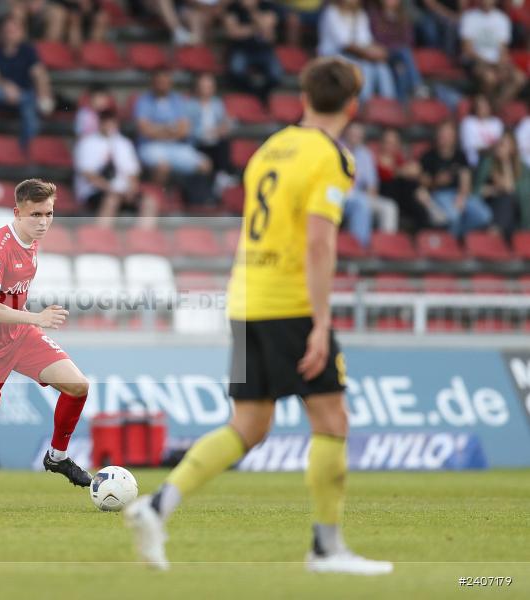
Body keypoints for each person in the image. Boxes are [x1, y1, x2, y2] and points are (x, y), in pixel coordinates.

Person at [125, 57, 394, 576]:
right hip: (289, 302)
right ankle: (327, 549)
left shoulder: (269, 148)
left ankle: (157, 507)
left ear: (304, 97)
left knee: (248, 424)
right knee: (332, 419)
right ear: (353, 105)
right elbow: (318, 243)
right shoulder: (332, 157)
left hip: (247, 298)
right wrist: (320, 322)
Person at [0, 179, 92, 509]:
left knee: (78, 386)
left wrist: (29, 322)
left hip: (19, 337)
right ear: (17, 212)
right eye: (35, 214)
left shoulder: (32, 242)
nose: (43, 222)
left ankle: (57, 456)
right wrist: (36, 318)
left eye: (48, 214)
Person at [74, 109, 158, 227]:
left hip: (123, 191)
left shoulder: (124, 143)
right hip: (96, 191)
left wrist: (131, 190)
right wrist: (111, 189)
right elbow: (89, 175)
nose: (109, 125)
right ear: (100, 123)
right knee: (112, 200)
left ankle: (143, 236)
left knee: (149, 202)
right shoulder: (87, 143)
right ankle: (102, 234)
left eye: (111, 122)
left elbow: (133, 173)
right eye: (105, 121)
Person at [0, 17, 54, 149]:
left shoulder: (28, 51)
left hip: (23, 96)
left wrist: (44, 95)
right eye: (7, 31)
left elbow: (39, 74)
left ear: (20, 33)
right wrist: (6, 86)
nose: (10, 34)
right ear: (0, 32)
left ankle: (26, 150)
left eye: (13, 31)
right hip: (0, 94)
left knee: (31, 112)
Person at [134, 69, 211, 183]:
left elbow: (184, 130)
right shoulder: (143, 101)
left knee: (205, 165)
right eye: (160, 82)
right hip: (151, 146)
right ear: (153, 83)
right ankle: (158, 192)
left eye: (165, 82)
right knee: (162, 167)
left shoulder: (177, 100)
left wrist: (157, 129)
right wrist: (171, 129)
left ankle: (193, 193)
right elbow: (144, 130)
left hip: (176, 146)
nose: (163, 85)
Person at [420, 120, 492, 238]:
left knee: (484, 215)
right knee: (454, 216)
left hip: (459, 194)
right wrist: (436, 181)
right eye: (442, 133)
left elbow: (465, 179)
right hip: (439, 194)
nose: (444, 137)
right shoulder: (428, 157)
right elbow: (423, 183)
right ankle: (453, 241)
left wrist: (461, 196)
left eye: (448, 134)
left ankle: (456, 237)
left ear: (454, 137)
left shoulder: (460, 156)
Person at [318, 0, 396, 102]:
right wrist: (370, 55)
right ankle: (363, 104)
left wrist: (380, 52)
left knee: (382, 66)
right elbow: (345, 44)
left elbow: (366, 40)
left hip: (356, 56)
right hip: (333, 56)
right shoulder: (332, 12)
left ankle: (389, 103)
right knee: (366, 66)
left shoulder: (360, 14)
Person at [376, 128, 447, 232]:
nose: (390, 146)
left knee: (416, 203)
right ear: (382, 144)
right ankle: (430, 205)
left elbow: (414, 169)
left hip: (403, 195)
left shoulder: (399, 158)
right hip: (386, 193)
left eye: (394, 143)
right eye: (388, 142)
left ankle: (428, 215)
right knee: (408, 184)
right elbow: (389, 172)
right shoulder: (377, 158)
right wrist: (401, 171)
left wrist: (401, 171)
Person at [341, 122, 398, 247]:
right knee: (361, 203)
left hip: (359, 194)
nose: (355, 136)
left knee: (389, 207)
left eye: (358, 134)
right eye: (353, 133)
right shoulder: (337, 148)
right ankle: (359, 247)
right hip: (339, 192)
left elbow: (372, 185)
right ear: (346, 132)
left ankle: (386, 247)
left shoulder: (365, 154)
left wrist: (370, 194)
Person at [459, 0, 526, 106]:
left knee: (519, 78)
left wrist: (502, 64)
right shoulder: (469, 17)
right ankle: (486, 108)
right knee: (490, 78)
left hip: (496, 62)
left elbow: (503, 49)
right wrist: (489, 63)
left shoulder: (502, 19)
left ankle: (495, 107)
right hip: (476, 61)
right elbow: (467, 49)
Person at [223, 0, 283, 103]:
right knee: (236, 70)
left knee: (276, 74)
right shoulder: (233, 8)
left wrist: (252, 10)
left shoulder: (268, 6)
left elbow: (268, 32)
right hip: (241, 49)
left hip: (264, 50)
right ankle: (251, 93)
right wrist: (257, 29)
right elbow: (233, 33)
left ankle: (262, 95)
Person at [368, 0, 427, 102]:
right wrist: (395, 44)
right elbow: (377, 38)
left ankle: (401, 104)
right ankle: (417, 85)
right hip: (383, 53)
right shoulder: (374, 16)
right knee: (404, 52)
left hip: (399, 57)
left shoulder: (403, 16)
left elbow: (409, 39)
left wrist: (395, 43)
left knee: (401, 68)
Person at [474, 133, 530, 237]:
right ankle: (495, 232)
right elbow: (476, 190)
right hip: (491, 206)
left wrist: (505, 162)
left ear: (512, 149)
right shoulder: (488, 163)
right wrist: (496, 189)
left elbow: (511, 189)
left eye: (504, 145)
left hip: (516, 213)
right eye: (499, 144)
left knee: (508, 198)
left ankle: (495, 232)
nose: (500, 148)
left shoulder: (522, 168)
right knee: (506, 199)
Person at [187, 73, 234, 189]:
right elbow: (188, 129)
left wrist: (224, 127)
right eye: (204, 86)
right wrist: (207, 132)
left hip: (215, 140)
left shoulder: (217, 104)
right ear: (197, 88)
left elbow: (225, 121)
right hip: (198, 142)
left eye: (209, 86)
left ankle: (222, 175)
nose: (207, 90)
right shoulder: (190, 106)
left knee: (225, 142)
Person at [459, 94, 503, 167]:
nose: (481, 108)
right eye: (479, 106)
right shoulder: (468, 122)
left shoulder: (497, 123)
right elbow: (470, 148)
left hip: (495, 163)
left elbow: (501, 145)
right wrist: (490, 149)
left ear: (490, 106)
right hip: (474, 164)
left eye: (484, 106)